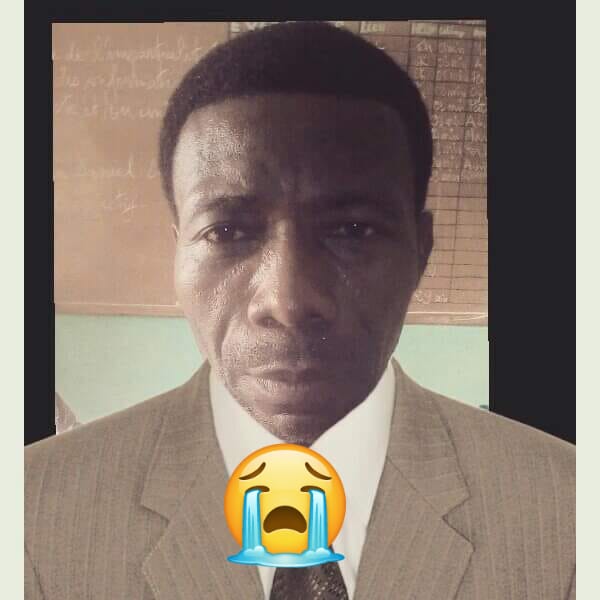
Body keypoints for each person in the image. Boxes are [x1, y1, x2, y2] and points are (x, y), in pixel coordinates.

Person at [26, 21, 575, 600]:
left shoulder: (567, 510)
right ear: (179, 250)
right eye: (228, 231)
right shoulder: (33, 512)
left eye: (353, 229)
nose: (288, 301)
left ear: (420, 251)